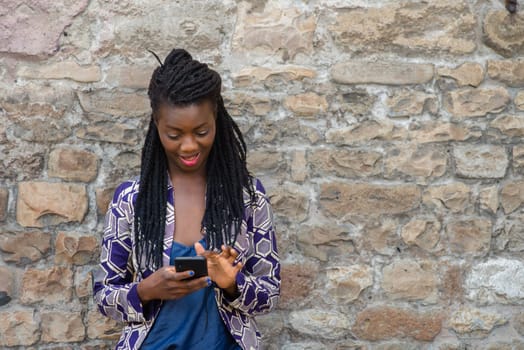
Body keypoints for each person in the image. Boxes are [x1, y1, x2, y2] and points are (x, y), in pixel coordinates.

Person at [93, 48, 280, 350]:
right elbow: (104, 296)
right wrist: (145, 290)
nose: (189, 145)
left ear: (216, 121)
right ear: (156, 124)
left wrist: (232, 284)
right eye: (174, 134)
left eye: (202, 131)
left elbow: (269, 295)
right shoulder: (131, 199)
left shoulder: (247, 196)